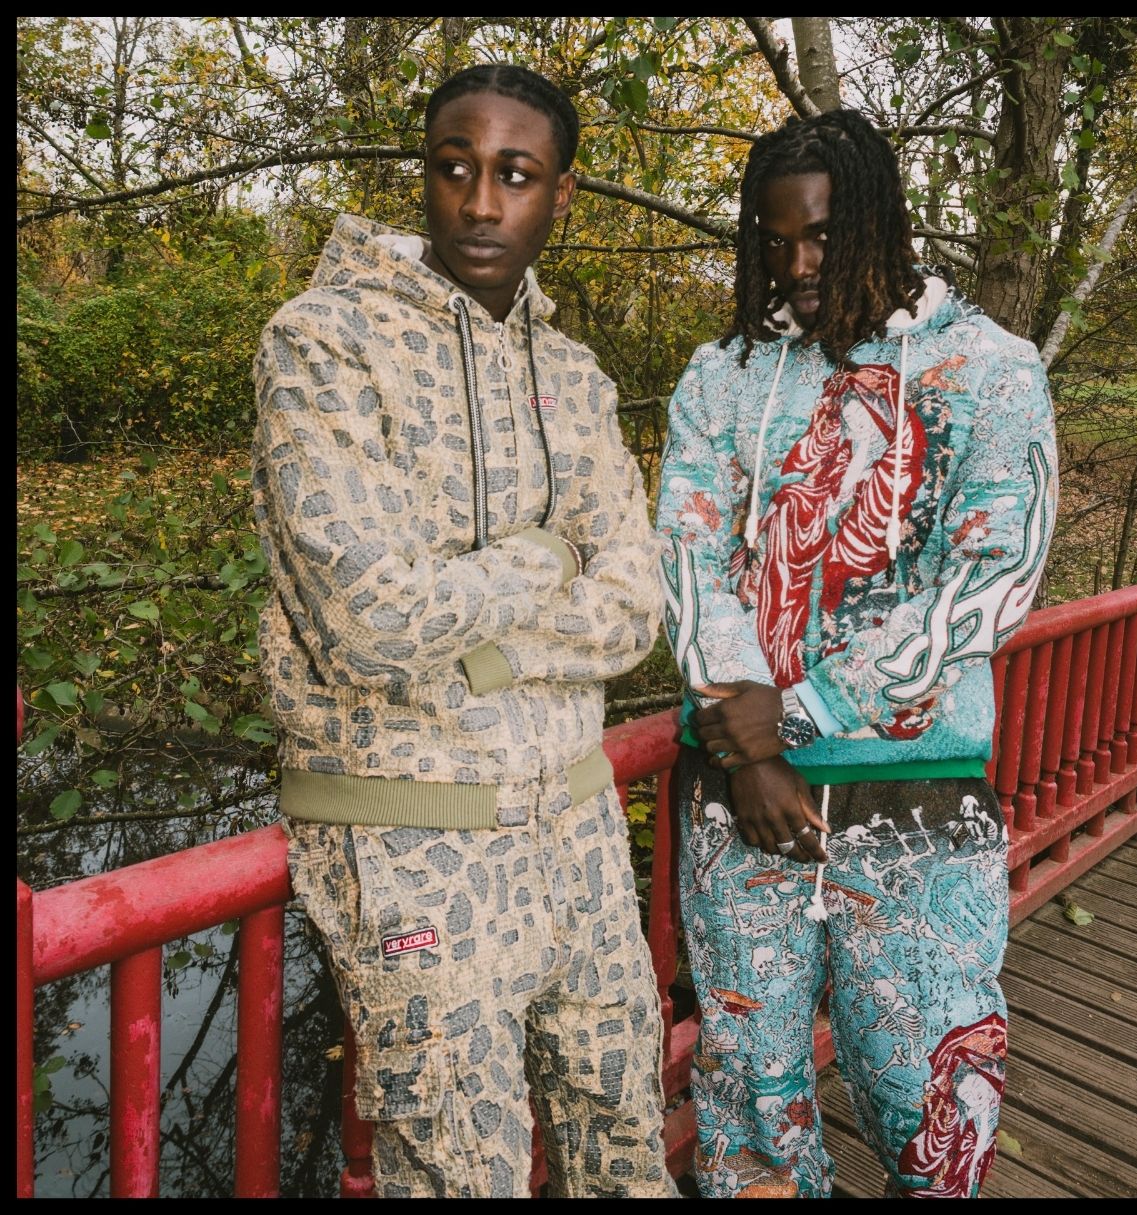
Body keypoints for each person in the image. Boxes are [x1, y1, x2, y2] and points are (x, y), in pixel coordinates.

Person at [251, 63, 675, 1199]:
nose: (482, 203)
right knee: (458, 1175)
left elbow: (636, 606)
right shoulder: (324, 343)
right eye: (455, 168)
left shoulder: (575, 377)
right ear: (425, 176)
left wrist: (480, 638)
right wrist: (549, 557)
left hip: (579, 830)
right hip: (412, 846)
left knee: (626, 1146)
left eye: (516, 175)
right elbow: (369, 620)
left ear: (561, 194)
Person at [657, 109, 1057, 1198]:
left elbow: (992, 577)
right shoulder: (724, 374)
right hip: (740, 803)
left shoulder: (987, 367)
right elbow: (688, 557)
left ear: (883, 220)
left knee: (935, 1106)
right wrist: (748, 748)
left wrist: (797, 715)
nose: (797, 266)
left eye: (824, 236)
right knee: (749, 1111)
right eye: (774, 239)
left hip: (915, 800)